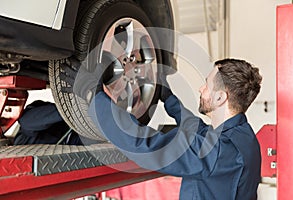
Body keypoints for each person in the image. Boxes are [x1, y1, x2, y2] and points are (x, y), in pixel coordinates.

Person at [61, 58, 262, 200]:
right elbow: (197, 129)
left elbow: (144, 145)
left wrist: (94, 96)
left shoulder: (221, 151)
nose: (201, 89)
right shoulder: (241, 135)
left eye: (207, 85)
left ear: (221, 97)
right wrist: (168, 97)